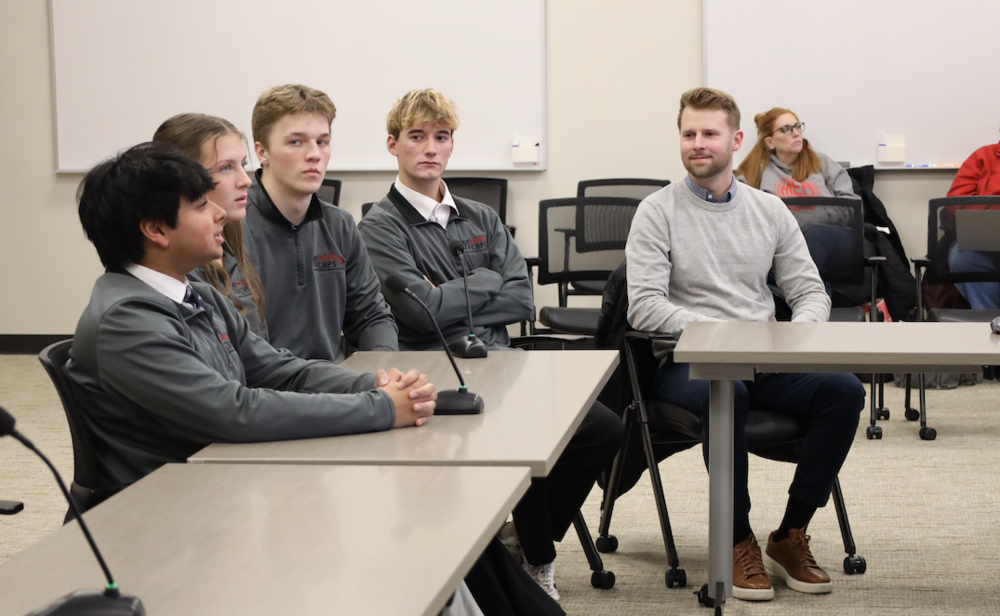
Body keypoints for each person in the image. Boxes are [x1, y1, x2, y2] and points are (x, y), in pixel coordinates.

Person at [359, 89, 624, 601]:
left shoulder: (479, 216)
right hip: (436, 370)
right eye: (416, 137)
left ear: (452, 145)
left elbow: (522, 299)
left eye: (441, 137)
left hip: (504, 363)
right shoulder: (379, 226)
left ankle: (526, 541)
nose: (429, 148)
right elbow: (419, 314)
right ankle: (538, 557)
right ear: (393, 144)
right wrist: (486, 281)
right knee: (528, 437)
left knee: (602, 428)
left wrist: (451, 294)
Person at [68, 141, 436, 491]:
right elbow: (233, 412)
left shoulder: (199, 295)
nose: (220, 214)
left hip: (220, 479)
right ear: (155, 229)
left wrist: (377, 384)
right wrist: (382, 407)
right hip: (165, 513)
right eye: (200, 206)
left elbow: (279, 371)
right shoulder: (127, 320)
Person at [626, 87, 865, 602]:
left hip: (763, 356)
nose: (697, 143)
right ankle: (736, 539)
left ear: (734, 140)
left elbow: (808, 290)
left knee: (844, 390)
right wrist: (717, 331)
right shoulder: (656, 211)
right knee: (726, 391)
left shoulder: (770, 210)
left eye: (709, 133)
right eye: (688, 133)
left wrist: (799, 334)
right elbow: (642, 306)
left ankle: (790, 534)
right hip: (689, 363)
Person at [245, 84, 398, 362]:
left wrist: (381, 368)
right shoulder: (231, 228)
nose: (314, 154)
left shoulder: (340, 225)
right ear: (262, 151)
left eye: (322, 142)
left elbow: (371, 316)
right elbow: (248, 352)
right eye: (296, 142)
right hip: (269, 391)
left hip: (336, 385)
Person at [153, 113, 269, 338]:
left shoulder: (234, 240)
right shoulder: (179, 265)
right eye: (226, 168)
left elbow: (262, 355)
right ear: (181, 180)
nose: (246, 180)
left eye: (243, 164)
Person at [737, 108, 861, 286]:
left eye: (797, 126)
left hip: (832, 237)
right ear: (770, 141)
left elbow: (852, 208)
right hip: (782, 243)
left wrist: (813, 220)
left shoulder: (821, 162)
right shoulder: (755, 172)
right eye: (786, 129)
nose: (796, 133)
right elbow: (742, 213)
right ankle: (811, 300)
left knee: (814, 239)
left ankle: (797, 297)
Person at [944, 136, 1000, 309]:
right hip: (982, 238)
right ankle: (990, 321)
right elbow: (956, 201)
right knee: (962, 259)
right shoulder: (982, 157)